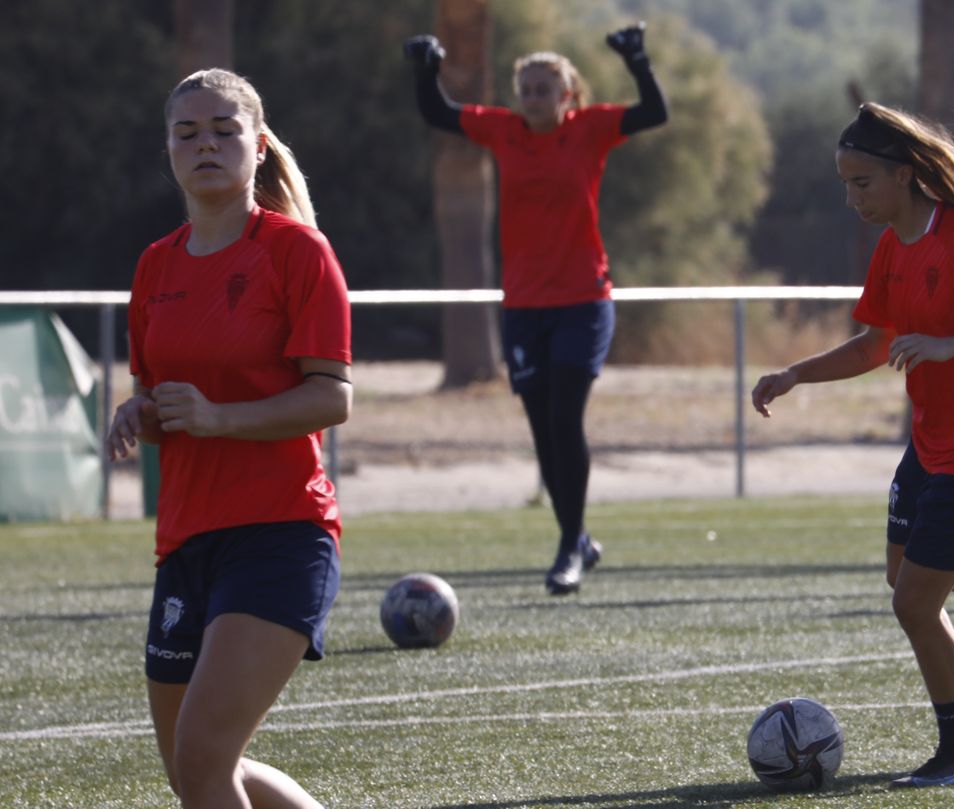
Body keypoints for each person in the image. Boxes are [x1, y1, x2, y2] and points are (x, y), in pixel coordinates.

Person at [752, 103, 954, 787]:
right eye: (845, 184)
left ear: (905, 176)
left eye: (861, 182)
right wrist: (797, 373)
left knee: (914, 603)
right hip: (934, 444)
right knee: (905, 574)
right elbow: (874, 342)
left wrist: (951, 345)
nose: (851, 197)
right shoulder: (894, 245)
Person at [105, 68, 352, 808]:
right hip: (185, 541)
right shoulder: (154, 265)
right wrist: (137, 412)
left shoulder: (296, 252)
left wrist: (220, 417)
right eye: (187, 132)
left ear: (258, 144)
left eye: (224, 129)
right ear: (169, 151)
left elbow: (332, 396)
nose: (205, 144)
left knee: (206, 754)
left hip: (280, 533)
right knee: (198, 769)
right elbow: (165, 400)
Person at [403, 23, 668, 595]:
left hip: (583, 300)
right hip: (524, 305)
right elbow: (439, 112)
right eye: (526, 87)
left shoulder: (590, 129)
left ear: (568, 94)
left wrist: (638, 60)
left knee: (564, 417)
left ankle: (568, 547)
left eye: (545, 87)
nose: (534, 97)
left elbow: (653, 112)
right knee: (544, 429)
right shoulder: (504, 131)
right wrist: (426, 68)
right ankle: (578, 538)